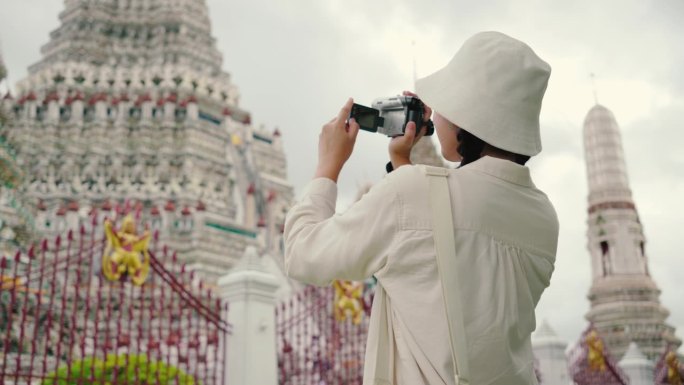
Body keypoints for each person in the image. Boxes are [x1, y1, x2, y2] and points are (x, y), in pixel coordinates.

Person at [283, 31, 559, 385]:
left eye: (446, 104)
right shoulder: (543, 217)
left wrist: (327, 166)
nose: (437, 114)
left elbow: (302, 253)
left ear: (466, 117)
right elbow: (445, 257)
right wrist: (402, 161)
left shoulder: (413, 193)